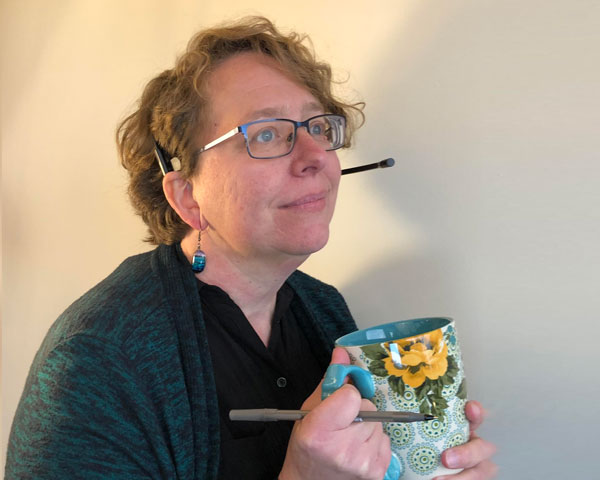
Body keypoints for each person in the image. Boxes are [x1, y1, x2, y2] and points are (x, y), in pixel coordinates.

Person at [6, 16, 496, 480]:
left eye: (319, 128)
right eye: (266, 134)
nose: (315, 158)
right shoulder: (99, 359)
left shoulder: (323, 309)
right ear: (186, 195)